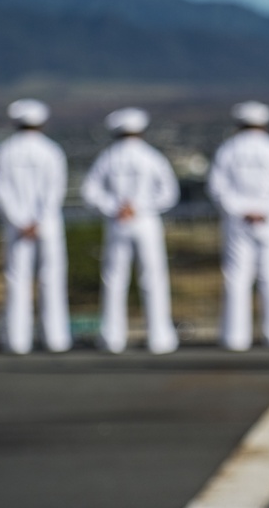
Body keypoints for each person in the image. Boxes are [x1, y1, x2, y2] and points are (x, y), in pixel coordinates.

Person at [81, 107, 180, 354]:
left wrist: (116, 206)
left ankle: (112, 339)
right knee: (153, 279)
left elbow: (89, 192)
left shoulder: (108, 157)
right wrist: (140, 207)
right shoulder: (152, 156)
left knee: (114, 280)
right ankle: (160, 338)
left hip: (118, 222)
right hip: (146, 222)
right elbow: (169, 193)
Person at [207, 101, 269, 350]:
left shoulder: (227, 150)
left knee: (237, 278)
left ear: (239, 123)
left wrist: (240, 210)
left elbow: (217, 189)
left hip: (237, 222)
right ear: (265, 123)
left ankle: (235, 337)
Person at [0, 99, 72, 354]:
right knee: (52, 279)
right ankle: (56, 339)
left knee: (17, 280)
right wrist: (40, 219)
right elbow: (56, 190)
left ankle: (17, 341)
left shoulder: (4, 151)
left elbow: (0, 191)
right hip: (47, 225)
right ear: (42, 122)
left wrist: (19, 220)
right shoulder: (52, 151)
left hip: (17, 227)